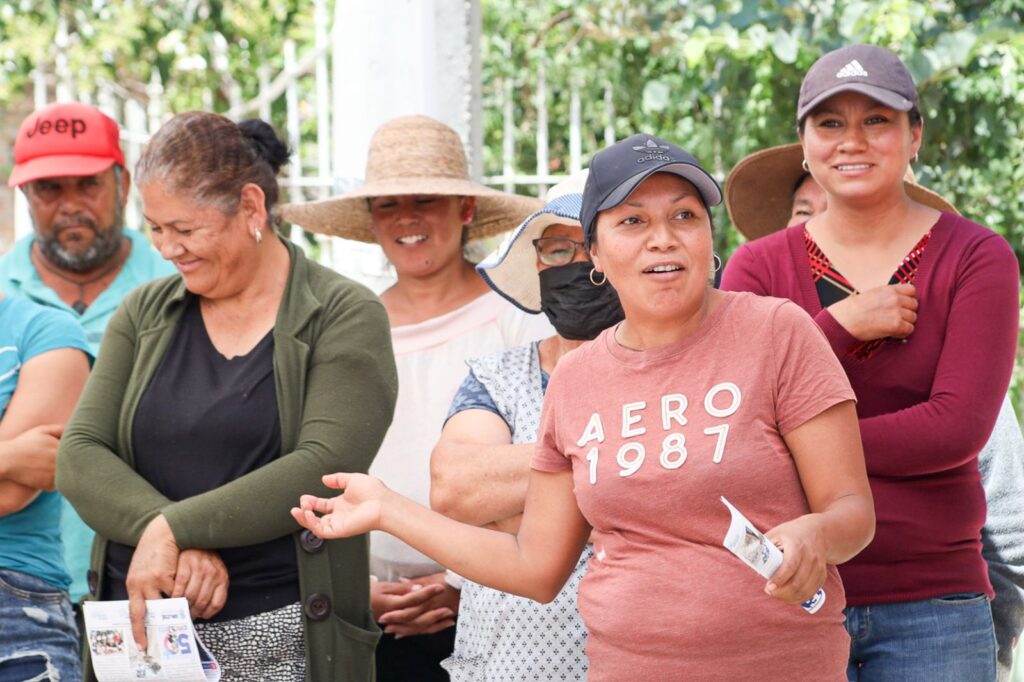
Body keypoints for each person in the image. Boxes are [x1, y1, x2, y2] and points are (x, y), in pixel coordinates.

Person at [293, 134, 877, 681]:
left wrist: (815, 535)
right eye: (632, 221)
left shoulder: (778, 332)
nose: (663, 237)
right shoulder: (577, 379)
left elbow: (852, 512)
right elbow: (535, 566)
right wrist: (389, 510)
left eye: (684, 215)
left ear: (709, 237)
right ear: (595, 252)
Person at [56, 112, 398, 682]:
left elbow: (324, 466)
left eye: (185, 230)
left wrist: (173, 530)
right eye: (155, 228)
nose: (167, 248)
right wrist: (168, 537)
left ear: (251, 208)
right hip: (144, 643)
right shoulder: (144, 313)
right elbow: (80, 452)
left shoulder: (343, 314)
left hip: (284, 640)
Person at [720, 44, 1020, 681]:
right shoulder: (757, 267)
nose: (851, 141)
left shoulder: (976, 258)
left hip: (932, 601)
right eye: (830, 123)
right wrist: (834, 327)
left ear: (914, 136)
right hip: (786, 592)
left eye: (876, 120)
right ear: (803, 142)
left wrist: (792, 438)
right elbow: (739, 416)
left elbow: (955, 429)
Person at [281, 115, 551, 680]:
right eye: (388, 205)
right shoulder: (345, 325)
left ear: (466, 211)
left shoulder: (519, 318)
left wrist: (460, 581)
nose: (407, 218)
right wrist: (363, 588)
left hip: (502, 594)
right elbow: (316, 458)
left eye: (427, 199)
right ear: (372, 223)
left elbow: (543, 462)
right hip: (369, 602)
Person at [430, 171, 622, 680]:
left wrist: (512, 518)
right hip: (501, 666)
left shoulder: (677, 376)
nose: (579, 267)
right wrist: (613, 501)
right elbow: (455, 487)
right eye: (559, 251)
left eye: (592, 249)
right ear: (537, 263)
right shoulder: (495, 376)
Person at [1, 102, 177, 604]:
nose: (70, 205)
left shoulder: (180, 286)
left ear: (122, 183)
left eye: (88, 184)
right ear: (26, 195)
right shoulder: (5, 301)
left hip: (156, 573)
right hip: (29, 583)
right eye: (49, 188)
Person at [0, 293, 90, 681]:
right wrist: (7, 456)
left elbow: (11, 494)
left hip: (14, 602)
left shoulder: (45, 332)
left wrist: (17, 463)